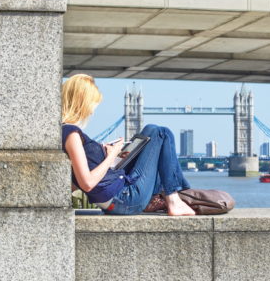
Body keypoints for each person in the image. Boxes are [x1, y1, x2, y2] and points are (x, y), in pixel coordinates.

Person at [62, 74, 195, 216]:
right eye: (93, 104)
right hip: (124, 199)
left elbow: (76, 179)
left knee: (150, 131)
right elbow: (87, 183)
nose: (92, 111)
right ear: (82, 102)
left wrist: (113, 158)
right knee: (162, 133)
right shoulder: (72, 134)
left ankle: (171, 196)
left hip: (118, 195)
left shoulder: (64, 132)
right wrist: (111, 155)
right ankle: (175, 200)